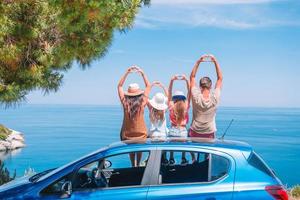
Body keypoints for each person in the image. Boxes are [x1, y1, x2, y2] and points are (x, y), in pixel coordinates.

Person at [118, 66, 151, 167]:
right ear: (138, 93)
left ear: (128, 93)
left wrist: (127, 72)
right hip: (142, 135)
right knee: (139, 148)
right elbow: (149, 85)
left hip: (127, 136)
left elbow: (119, 86)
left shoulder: (125, 103)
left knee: (131, 149)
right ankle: (138, 164)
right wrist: (142, 73)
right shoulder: (142, 103)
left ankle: (133, 165)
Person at [189, 54, 223, 139]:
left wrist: (198, 62)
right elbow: (220, 78)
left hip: (194, 132)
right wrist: (215, 61)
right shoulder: (214, 97)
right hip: (209, 133)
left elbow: (192, 77)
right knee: (207, 152)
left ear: (200, 86)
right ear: (211, 86)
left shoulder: (196, 96)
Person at [168, 74, 191, 165]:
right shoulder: (186, 106)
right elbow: (189, 92)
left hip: (173, 130)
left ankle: (171, 159)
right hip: (183, 131)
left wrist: (172, 80)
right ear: (183, 98)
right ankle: (183, 158)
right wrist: (186, 80)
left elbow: (169, 92)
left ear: (174, 98)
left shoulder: (171, 106)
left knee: (171, 147)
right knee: (183, 146)